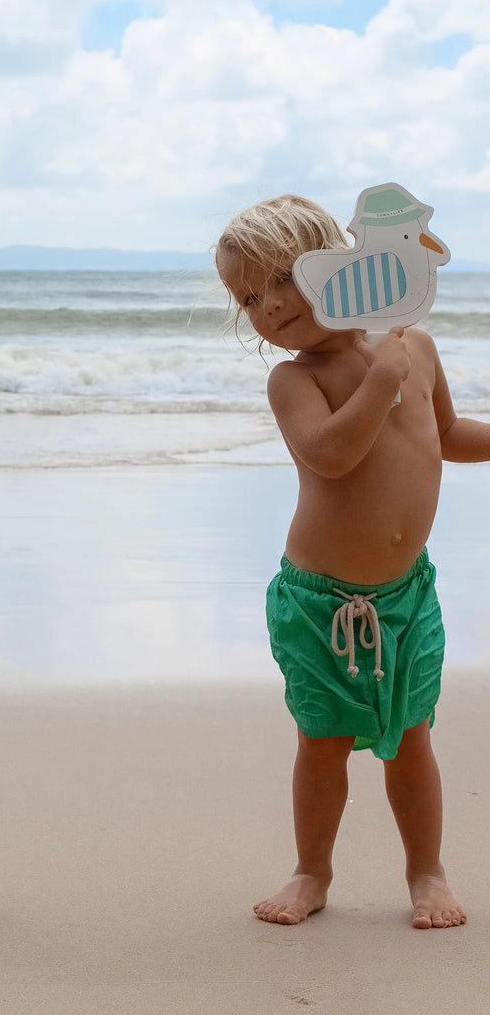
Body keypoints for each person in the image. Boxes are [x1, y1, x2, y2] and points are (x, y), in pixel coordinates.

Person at [215, 193, 490, 929]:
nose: (269, 306)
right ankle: (311, 872)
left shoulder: (414, 347)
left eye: (283, 279)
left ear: (341, 264)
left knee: (412, 740)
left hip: (407, 596)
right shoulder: (295, 379)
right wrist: (381, 381)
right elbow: (330, 455)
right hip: (319, 604)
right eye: (249, 298)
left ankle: (427, 873)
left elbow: (448, 434)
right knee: (323, 740)